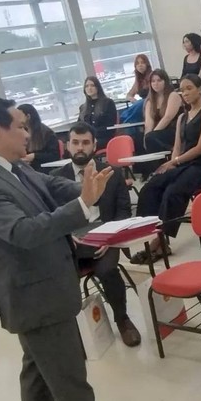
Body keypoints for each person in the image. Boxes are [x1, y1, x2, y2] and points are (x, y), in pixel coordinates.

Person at [0, 97, 144, 401]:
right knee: (67, 372)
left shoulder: (8, 167)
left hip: (38, 290)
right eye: (20, 126)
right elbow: (24, 232)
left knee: (38, 371)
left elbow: (48, 187)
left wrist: (90, 188)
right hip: (35, 294)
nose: (27, 133)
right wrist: (82, 206)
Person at [54, 124, 141, 347]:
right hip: (73, 243)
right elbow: (53, 215)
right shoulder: (56, 178)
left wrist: (109, 237)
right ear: (67, 146)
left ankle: (122, 319)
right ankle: (72, 330)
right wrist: (68, 234)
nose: (80, 148)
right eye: (75, 142)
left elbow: (123, 211)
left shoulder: (112, 172)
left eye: (85, 142)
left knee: (108, 270)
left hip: (106, 239)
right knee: (57, 272)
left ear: (95, 145)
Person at [134, 75, 201, 262]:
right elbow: (177, 147)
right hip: (183, 164)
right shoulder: (182, 117)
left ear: (199, 89)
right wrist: (171, 164)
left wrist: (175, 162)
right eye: (182, 89)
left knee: (173, 192)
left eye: (189, 88)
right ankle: (152, 236)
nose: (185, 93)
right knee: (151, 187)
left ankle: (161, 242)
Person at [143, 69, 183, 153]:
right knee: (143, 139)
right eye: (153, 81)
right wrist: (147, 137)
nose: (156, 83)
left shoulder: (173, 95)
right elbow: (148, 124)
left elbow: (167, 118)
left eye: (159, 80)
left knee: (151, 138)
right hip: (157, 134)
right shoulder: (150, 101)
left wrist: (153, 135)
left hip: (174, 131)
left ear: (165, 81)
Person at [18, 104, 60, 173]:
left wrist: (34, 156)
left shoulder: (47, 133)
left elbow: (54, 156)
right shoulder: (21, 132)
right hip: (28, 167)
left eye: (19, 116)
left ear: (28, 117)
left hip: (44, 168)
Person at [78, 76, 117, 150]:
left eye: (92, 85)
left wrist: (91, 135)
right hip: (87, 139)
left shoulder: (108, 103)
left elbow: (110, 126)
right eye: (87, 86)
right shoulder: (83, 108)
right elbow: (79, 126)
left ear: (97, 87)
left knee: (86, 148)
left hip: (104, 137)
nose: (89, 88)